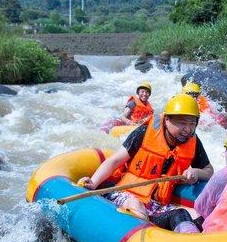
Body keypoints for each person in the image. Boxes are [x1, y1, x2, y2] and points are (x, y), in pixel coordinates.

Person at [79, 93, 213, 219]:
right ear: (167, 119)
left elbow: (209, 171)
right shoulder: (144, 133)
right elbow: (114, 161)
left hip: (156, 203)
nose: (188, 129)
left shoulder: (193, 141)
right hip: (125, 193)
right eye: (182, 123)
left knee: (190, 215)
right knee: (136, 205)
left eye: (192, 124)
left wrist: (196, 172)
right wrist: (93, 183)